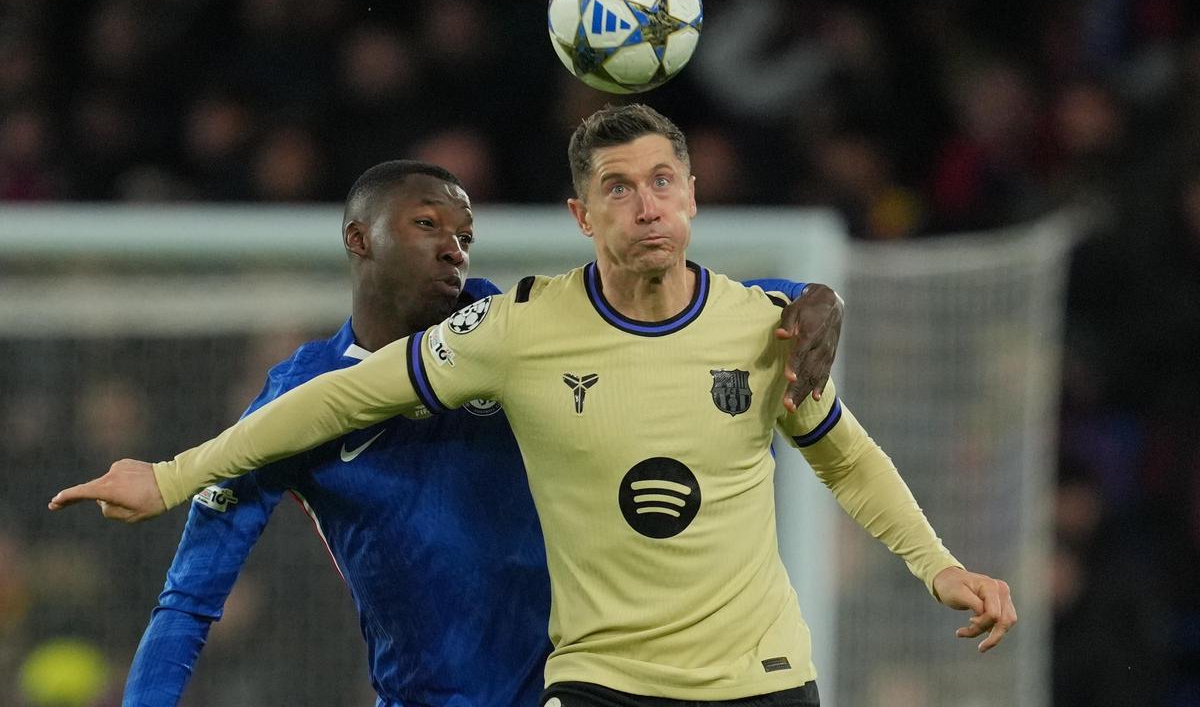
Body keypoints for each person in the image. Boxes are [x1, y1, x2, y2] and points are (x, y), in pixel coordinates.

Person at [52, 105, 1014, 706]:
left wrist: (816, 300)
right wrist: (173, 474)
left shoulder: (525, 325)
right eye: (426, 225)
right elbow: (193, 595)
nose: (454, 249)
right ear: (358, 238)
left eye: (464, 231)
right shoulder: (412, 365)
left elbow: (696, 327)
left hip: (641, 678)